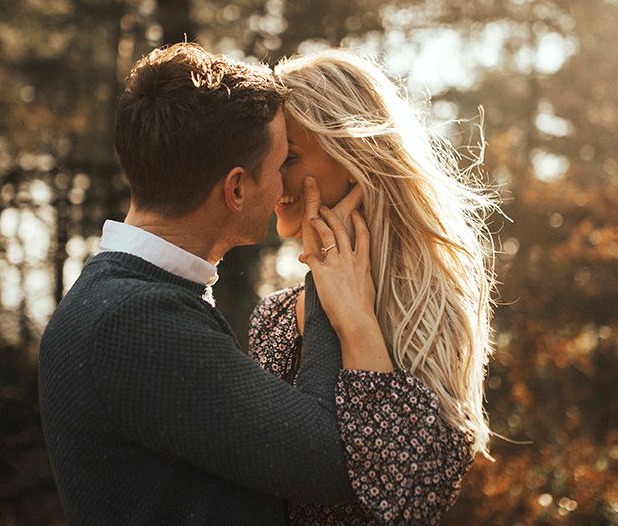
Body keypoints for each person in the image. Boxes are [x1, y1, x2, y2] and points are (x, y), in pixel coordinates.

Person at [38, 42, 407, 526]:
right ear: (236, 188)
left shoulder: (124, 297)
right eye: (279, 166)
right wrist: (329, 282)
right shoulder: (135, 322)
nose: (283, 190)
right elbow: (335, 459)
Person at [249, 49, 498, 525]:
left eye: (290, 158)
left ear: (354, 157)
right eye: (266, 158)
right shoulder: (275, 318)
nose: (270, 178)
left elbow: (407, 498)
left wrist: (355, 321)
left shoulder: (430, 308)